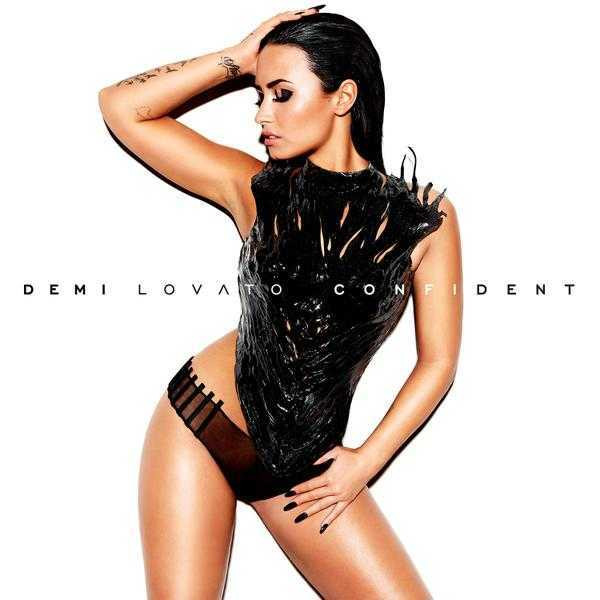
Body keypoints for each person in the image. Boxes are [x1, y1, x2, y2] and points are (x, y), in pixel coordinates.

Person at [98, 6, 462, 598]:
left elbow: (438, 361)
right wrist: (240, 57)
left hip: (305, 464)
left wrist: (365, 461)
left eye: (282, 93)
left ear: (343, 97)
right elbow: (121, 106)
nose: (262, 113)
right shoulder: (254, 188)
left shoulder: (423, 219)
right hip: (200, 422)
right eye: (259, 95)